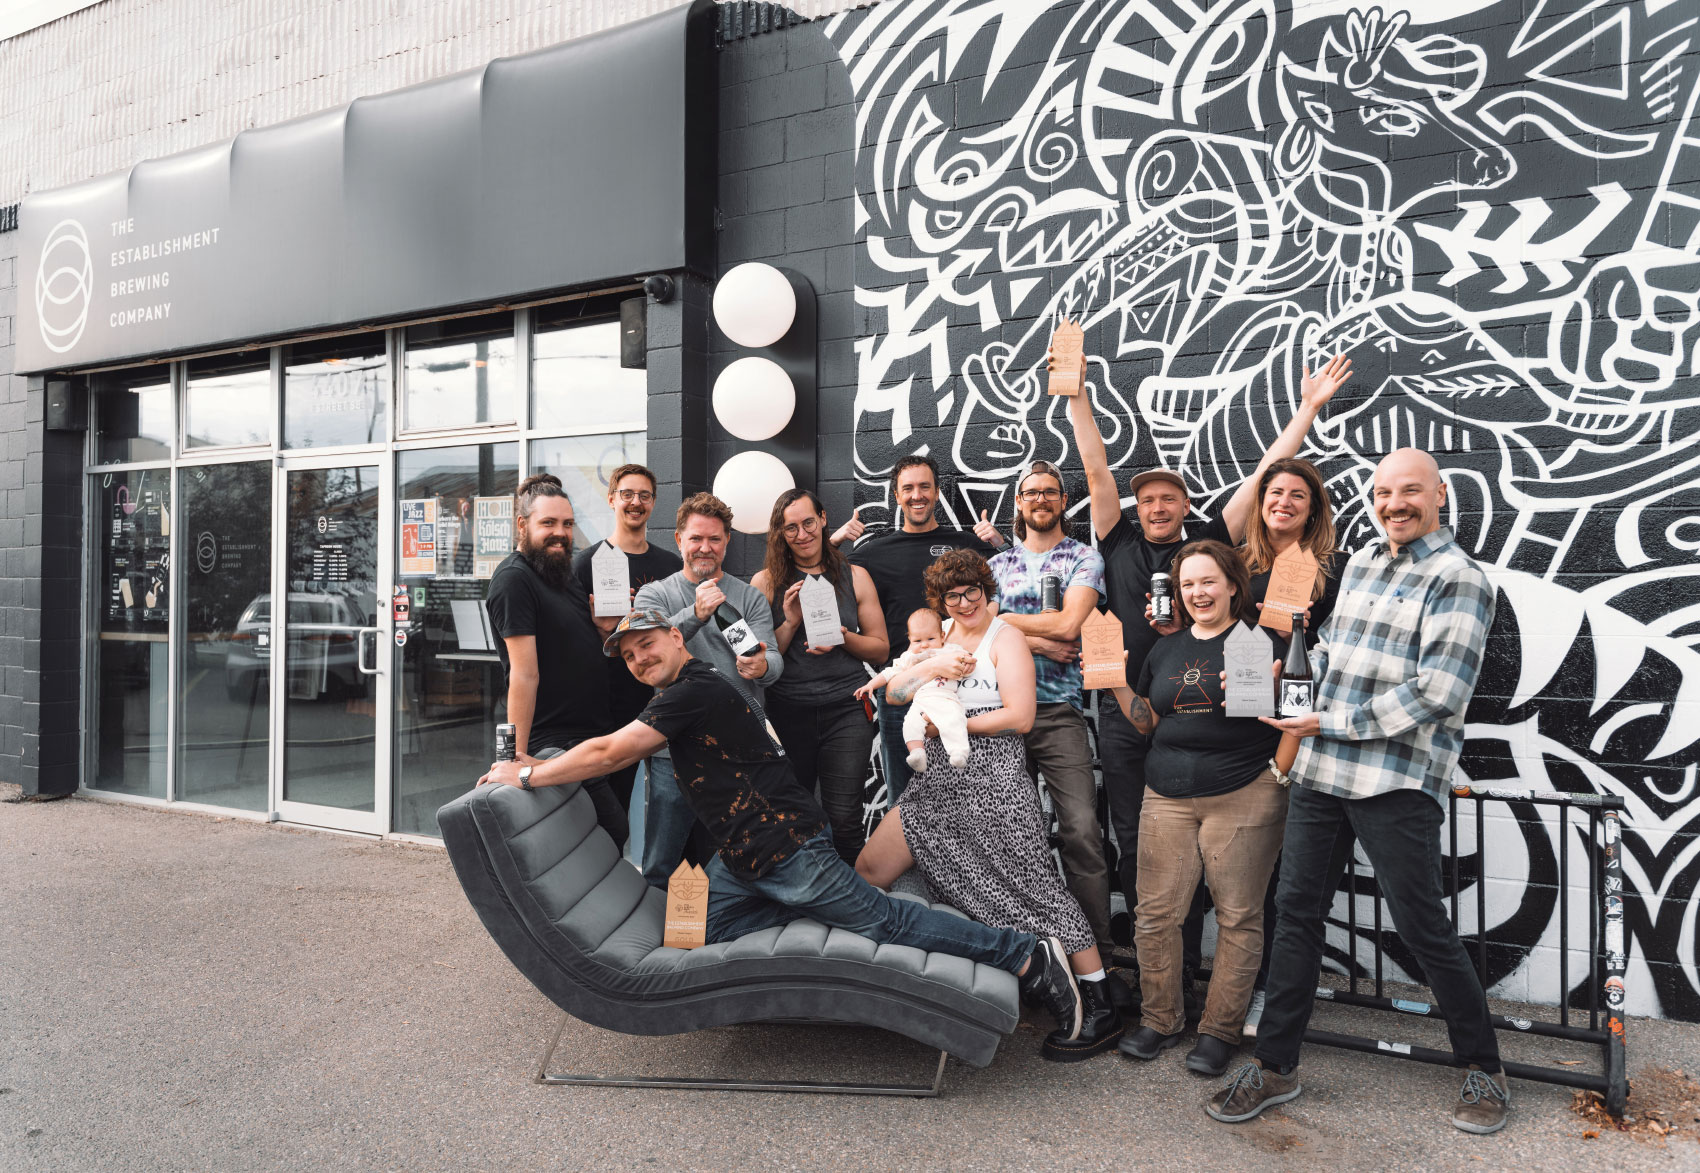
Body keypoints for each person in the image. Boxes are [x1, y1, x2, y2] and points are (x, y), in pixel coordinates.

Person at [477, 608, 1085, 1042]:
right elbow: (619, 745)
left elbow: (613, 753)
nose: (639, 658)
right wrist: (538, 760)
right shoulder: (693, 684)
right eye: (630, 654)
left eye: (647, 644)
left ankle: (1028, 955)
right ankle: (833, 915)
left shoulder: (692, 691)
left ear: (675, 636)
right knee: (706, 931)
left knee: (883, 919)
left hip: (787, 849)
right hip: (744, 856)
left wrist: (526, 778)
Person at [1206, 448, 1508, 1135]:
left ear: (1438, 494)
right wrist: (1272, 687)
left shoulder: (1460, 578)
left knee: (1421, 924)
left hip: (1396, 776)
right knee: (1297, 914)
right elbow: (1334, 653)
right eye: (1383, 492)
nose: (1394, 503)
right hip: (1322, 770)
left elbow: (1439, 691)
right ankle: (1276, 1064)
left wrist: (1326, 721)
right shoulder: (1366, 561)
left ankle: (1484, 1066)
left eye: (1409, 491)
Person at [1064, 351, 1354, 979]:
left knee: (1209, 849)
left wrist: (1306, 410)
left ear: (1186, 504)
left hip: (1201, 708)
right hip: (1125, 709)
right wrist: (1076, 396)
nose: (1158, 507)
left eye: (1169, 499)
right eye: (1149, 500)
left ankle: (1199, 978)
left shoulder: (1210, 543)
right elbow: (1094, 470)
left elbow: (1264, 477)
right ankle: (1155, 980)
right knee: (1137, 844)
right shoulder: (1115, 537)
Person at [855, 550, 1125, 1061]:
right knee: (870, 867)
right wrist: (930, 665)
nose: (963, 603)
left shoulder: (1008, 638)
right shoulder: (942, 640)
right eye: (952, 596)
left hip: (993, 778)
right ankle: (888, 984)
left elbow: (1021, 718)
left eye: (971, 591)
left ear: (986, 589)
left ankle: (1100, 1000)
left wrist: (947, 727)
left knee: (1036, 892)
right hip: (936, 782)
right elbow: (895, 695)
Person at [1108, 541, 1287, 1077]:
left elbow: (1279, 715)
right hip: (1165, 794)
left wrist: (1278, 772)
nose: (1197, 592)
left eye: (1208, 582)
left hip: (1243, 792)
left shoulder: (1258, 643)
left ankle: (1219, 1030)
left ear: (1234, 585)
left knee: (1238, 916)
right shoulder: (1166, 648)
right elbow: (1148, 722)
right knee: (1155, 913)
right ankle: (1160, 1019)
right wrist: (1116, 679)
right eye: (1188, 584)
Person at [1235, 455, 1345, 1038]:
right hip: (1242, 723)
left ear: (1313, 506)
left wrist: (1307, 630)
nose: (1284, 502)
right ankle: (1243, 989)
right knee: (1245, 875)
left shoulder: (1336, 569)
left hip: (1304, 730)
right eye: (1275, 492)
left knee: (1289, 877)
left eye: (1297, 495)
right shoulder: (1238, 564)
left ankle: (1273, 998)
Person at [988, 459, 1116, 958]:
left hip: (1060, 713)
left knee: (1081, 829)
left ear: (1063, 502)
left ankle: (1098, 953)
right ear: (1018, 504)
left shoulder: (1084, 558)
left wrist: (1004, 622)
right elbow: (975, 633)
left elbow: (1069, 627)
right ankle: (1026, 952)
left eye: (1050, 492)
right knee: (1010, 835)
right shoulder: (994, 567)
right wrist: (1037, 644)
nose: (1040, 499)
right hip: (1000, 716)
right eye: (1030, 493)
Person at [833, 454, 1004, 802]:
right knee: (905, 798)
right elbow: (815, 573)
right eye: (907, 488)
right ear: (896, 496)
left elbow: (1012, 582)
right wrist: (833, 543)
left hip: (960, 683)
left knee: (961, 794)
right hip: (901, 684)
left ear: (937, 492)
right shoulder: (873, 552)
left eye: (925, 486)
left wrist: (999, 545)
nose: (917, 495)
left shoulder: (965, 544)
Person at [632, 493, 782, 887]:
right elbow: (652, 650)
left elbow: (775, 660)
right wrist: (696, 614)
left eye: (715, 539)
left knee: (733, 855)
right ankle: (651, 938)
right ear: (679, 539)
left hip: (738, 747)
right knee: (663, 857)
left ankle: (722, 933)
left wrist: (762, 665)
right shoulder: (656, 595)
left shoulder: (748, 596)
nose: (705, 547)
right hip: (674, 748)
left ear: (727, 541)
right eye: (696, 538)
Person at [485, 474, 625, 844]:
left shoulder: (562, 573)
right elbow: (523, 674)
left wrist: (602, 630)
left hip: (592, 731)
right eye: (547, 523)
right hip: (554, 741)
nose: (560, 533)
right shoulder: (514, 580)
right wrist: (514, 757)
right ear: (522, 524)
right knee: (608, 831)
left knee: (597, 839)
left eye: (567, 524)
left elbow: (574, 648)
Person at [751, 489, 889, 864]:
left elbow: (879, 649)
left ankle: (854, 903)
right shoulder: (765, 582)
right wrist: (791, 621)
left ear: (824, 519)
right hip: (786, 711)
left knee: (844, 818)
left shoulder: (855, 576)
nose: (801, 534)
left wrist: (843, 637)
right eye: (790, 528)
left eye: (808, 523)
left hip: (845, 710)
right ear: (781, 534)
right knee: (791, 818)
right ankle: (804, 899)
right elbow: (757, 661)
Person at [572, 463, 682, 821]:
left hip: (664, 700)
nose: (636, 502)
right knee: (612, 811)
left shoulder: (671, 565)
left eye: (644, 496)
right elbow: (572, 644)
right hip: (610, 705)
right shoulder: (585, 565)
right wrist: (601, 630)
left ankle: (668, 878)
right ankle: (612, 875)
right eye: (627, 494)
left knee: (672, 808)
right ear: (611, 500)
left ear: (653, 503)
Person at [856, 608, 969, 771]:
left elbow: (966, 658)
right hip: (920, 703)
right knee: (910, 724)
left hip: (945, 697)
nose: (924, 645)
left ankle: (959, 752)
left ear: (942, 636)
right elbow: (889, 673)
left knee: (954, 719)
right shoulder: (909, 657)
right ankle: (917, 753)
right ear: (909, 639)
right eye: (917, 641)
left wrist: (967, 664)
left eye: (931, 638)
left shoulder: (949, 650)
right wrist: (871, 685)